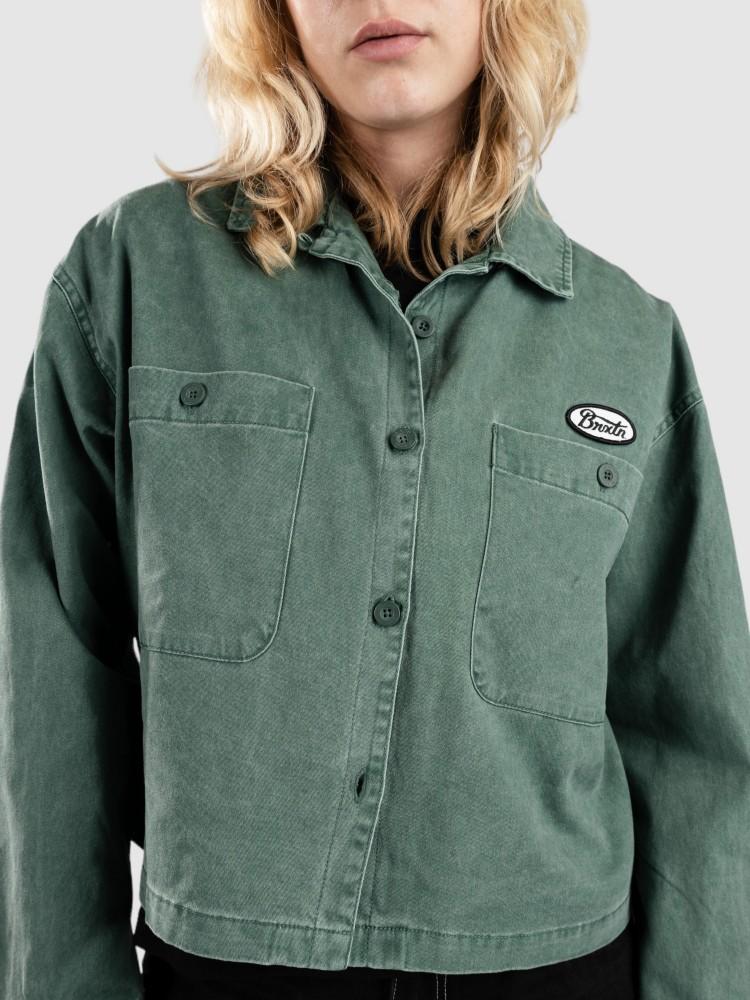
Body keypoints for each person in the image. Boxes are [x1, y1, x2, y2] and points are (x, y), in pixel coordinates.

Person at [1, 2, 748, 999]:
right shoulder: (133, 276)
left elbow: (693, 737)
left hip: (553, 966)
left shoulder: (627, 340)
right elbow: (49, 662)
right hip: (231, 973)